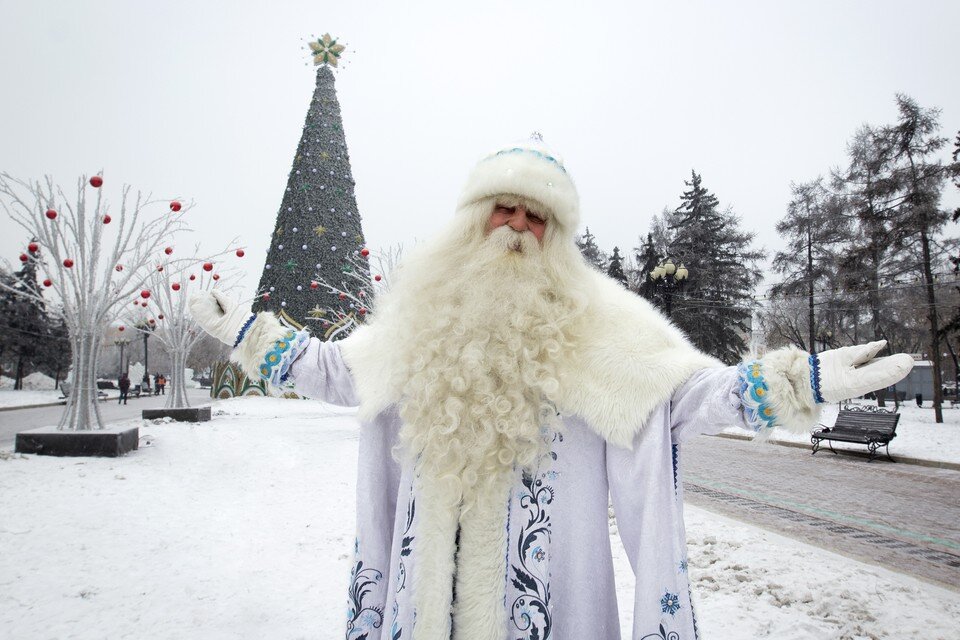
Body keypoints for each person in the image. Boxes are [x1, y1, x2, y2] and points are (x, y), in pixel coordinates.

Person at [189, 136, 913, 639]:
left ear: (555, 234)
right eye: (504, 208)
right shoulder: (421, 317)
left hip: (545, 604)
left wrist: (797, 380)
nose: (518, 226)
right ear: (476, 219)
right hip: (426, 599)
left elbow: (684, 395)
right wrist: (248, 333)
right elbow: (336, 372)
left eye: (536, 216)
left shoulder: (598, 323)